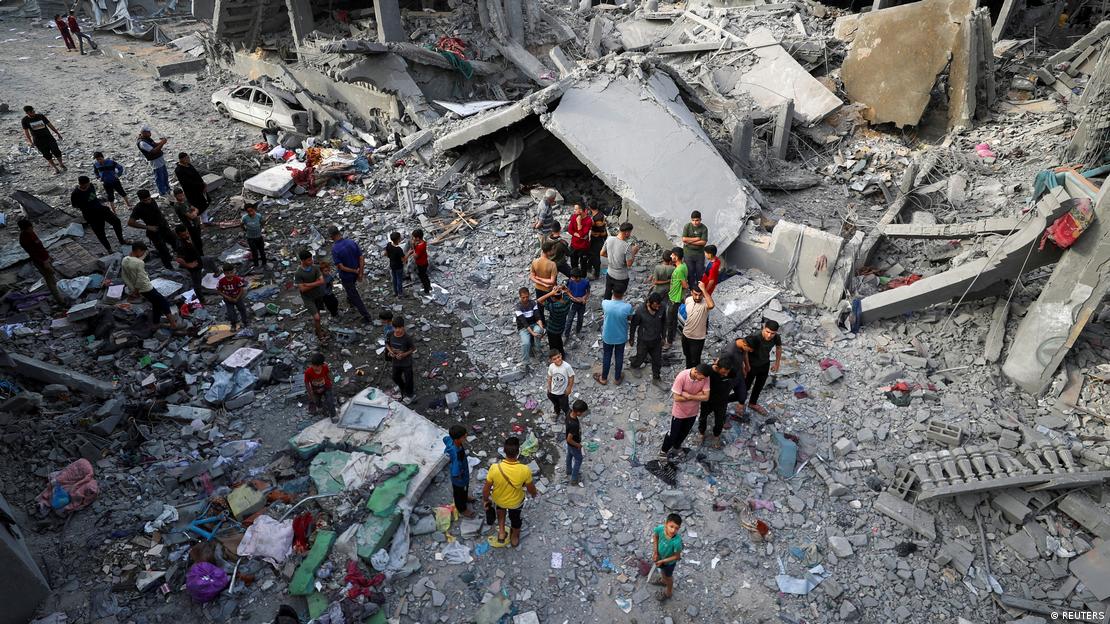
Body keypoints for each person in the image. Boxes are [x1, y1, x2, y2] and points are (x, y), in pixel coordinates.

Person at [483, 436, 538, 548]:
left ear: (504, 451)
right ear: (518, 452)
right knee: (515, 518)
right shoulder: (524, 470)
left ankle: (501, 533)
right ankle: (514, 537)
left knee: (500, 512)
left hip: (499, 500)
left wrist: (486, 500)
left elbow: (486, 489)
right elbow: (531, 488)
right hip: (515, 502)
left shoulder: (495, 468)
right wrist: (534, 494)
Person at [658, 364, 710, 461]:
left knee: (685, 431)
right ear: (696, 372)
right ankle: (663, 451)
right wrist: (698, 395)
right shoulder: (682, 377)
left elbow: (706, 397)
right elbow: (676, 398)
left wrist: (689, 396)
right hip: (679, 412)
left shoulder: (705, 377)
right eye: (701, 378)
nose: (702, 380)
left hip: (693, 412)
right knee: (673, 433)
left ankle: (676, 447)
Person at [122, 242, 179, 329]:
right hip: (146, 288)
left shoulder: (125, 260)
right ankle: (173, 325)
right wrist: (136, 291)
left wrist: (132, 289)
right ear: (138, 250)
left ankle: (156, 323)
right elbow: (141, 279)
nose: (143, 254)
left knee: (156, 303)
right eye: (143, 252)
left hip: (138, 289)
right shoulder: (139, 263)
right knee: (163, 302)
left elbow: (124, 276)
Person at [737, 319, 782, 416]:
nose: (769, 335)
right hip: (751, 365)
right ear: (764, 328)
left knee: (759, 385)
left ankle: (753, 403)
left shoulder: (776, 337)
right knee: (746, 386)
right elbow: (744, 351)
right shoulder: (754, 337)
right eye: (767, 332)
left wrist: (777, 363)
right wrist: (746, 366)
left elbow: (778, 348)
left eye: (772, 333)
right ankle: (741, 403)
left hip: (764, 363)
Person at [327, 226, 372, 322]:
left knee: (354, 295)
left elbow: (341, 267)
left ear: (331, 236)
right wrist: (360, 272)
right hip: (356, 273)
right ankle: (351, 302)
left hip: (347, 276)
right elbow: (361, 258)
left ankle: (366, 316)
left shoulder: (335, 249)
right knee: (351, 290)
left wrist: (355, 271)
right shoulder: (351, 242)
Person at [71, 176, 125, 253]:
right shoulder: (75, 194)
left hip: (101, 209)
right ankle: (109, 249)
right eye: (86, 184)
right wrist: (84, 205)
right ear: (81, 184)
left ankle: (121, 240)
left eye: (88, 183)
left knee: (116, 221)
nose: (88, 185)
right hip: (90, 215)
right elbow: (74, 205)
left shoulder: (91, 186)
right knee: (100, 233)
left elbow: (94, 196)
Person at [17, 219, 65, 305]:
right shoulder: (25, 239)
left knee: (52, 277)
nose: (32, 228)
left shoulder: (30, 233)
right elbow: (34, 253)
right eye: (30, 227)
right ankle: (60, 300)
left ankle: (60, 294)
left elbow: (40, 246)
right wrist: (44, 262)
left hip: (44, 259)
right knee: (50, 280)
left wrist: (47, 256)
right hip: (41, 261)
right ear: (26, 228)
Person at [594, 285, 634, 385]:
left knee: (607, 356)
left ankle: (603, 378)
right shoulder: (627, 307)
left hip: (608, 336)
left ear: (612, 293)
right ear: (623, 294)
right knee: (619, 356)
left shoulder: (605, 303)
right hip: (621, 336)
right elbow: (630, 318)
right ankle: (617, 378)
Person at [128, 189, 177, 269]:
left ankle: (180, 259)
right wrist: (147, 227)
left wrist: (165, 223)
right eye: (145, 200)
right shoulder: (138, 208)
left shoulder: (153, 201)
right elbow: (130, 222)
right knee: (163, 251)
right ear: (140, 200)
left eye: (149, 199)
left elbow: (158, 213)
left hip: (164, 227)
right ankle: (169, 267)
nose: (148, 201)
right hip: (154, 232)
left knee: (174, 242)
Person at [697, 357, 738, 448]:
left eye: (727, 372)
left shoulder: (731, 371)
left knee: (720, 421)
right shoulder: (709, 371)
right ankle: (701, 433)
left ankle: (716, 436)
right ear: (717, 367)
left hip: (722, 401)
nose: (726, 374)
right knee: (703, 417)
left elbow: (735, 378)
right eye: (723, 372)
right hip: (708, 401)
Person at [629, 292, 666, 383]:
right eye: (655, 306)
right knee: (640, 357)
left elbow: (664, 322)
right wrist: (631, 338)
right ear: (649, 303)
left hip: (656, 339)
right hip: (643, 340)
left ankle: (656, 378)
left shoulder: (662, 307)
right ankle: (634, 366)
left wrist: (663, 336)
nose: (658, 308)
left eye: (659, 305)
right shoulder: (640, 311)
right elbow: (633, 325)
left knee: (657, 360)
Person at [294, 249, 327, 342]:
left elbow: (322, 281)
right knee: (317, 317)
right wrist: (316, 283)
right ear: (303, 261)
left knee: (318, 315)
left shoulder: (315, 268)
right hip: (308, 298)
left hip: (317, 295)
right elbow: (302, 289)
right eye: (309, 260)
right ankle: (320, 335)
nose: (311, 261)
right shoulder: (298, 273)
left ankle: (318, 329)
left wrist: (308, 284)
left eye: (311, 259)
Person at [22, 106, 65, 174]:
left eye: (33, 111)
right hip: (38, 140)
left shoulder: (40, 116)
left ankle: (61, 163)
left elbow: (49, 125)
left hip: (49, 137)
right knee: (46, 155)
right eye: (31, 112)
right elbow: (26, 132)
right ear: (27, 113)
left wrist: (57, 133)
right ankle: (55, 168)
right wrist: (30, 142)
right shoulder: (25, 120)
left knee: (56, 150)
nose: (33, 113)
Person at [601, 222, 638, 300]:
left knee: (607, 293)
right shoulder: (627, 246)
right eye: (630, 232)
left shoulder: (609, 239)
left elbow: (602, 253)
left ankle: (606, 306)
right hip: (621, 277)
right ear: (626, 232)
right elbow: (629, 264)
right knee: (618, 297)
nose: (630, 234)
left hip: (610, 273)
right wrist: (633, 252)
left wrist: (612, 257)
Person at [443, 425, 475, 518]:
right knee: (459, 493)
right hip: (460, 479)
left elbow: (445, 439)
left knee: (464, 490)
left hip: (462, 474)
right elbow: (455, 472)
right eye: (463, 437)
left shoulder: (451, 440)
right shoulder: (456, 454)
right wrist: (460, 477)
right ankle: (462, 508)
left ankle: (465, 497)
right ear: (457, 439)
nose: (465, 437)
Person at [652, 513, 684, 602]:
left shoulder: (677, 542)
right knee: (663, 572)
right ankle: (663, 581)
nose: (673, 530)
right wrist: (655, 552)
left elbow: (677, 557)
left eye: (676, 528)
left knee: (669, 577)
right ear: (666, 523)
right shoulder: (660, 529)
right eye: (671, 526)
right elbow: (655, 537)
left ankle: (668, 593)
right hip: (660, 558)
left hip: (669, 563)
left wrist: (663, 561)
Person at [681, 285, 714, 368]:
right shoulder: (688, 300)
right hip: (686, 334)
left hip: (698, 339)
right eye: (695, 294)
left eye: (700, 295)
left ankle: (696, 374)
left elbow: (711, 305)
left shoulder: (705, 303)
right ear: (691, 293)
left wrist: (704, 289)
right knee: (687, 355)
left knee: (695, 360)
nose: (698, 297)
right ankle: (688, 372)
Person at [386, 315, 416, 404]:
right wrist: (390, 352)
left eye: (399, 328)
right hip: (395, 362)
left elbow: (413, 349)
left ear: (403, 327)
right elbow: (387, 344)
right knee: (395, 377)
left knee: (409, 379)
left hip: (406, 363)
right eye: (395, 328)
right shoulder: (390, 334)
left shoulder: (407, 338)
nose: (397, 330)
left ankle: (410, 395)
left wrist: (404, 354)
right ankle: (402, 388)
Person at [174, 153, 210, 222]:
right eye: (186, 158)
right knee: (198, 207)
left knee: (204, 204)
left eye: (188, 157)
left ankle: (205, 220)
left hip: (199, 189)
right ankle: (200, 221)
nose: (188, 159)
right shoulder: (179, 170)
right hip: (192, 192)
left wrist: (203, 184)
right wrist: (200, 185)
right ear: (181, 159)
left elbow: (197, 175)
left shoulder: (189, 165)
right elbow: (188, 183)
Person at [514, 288, 545, 368]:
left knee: (538, 331)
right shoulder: (518, 307)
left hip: (534, 324)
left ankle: (537, 351)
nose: (525, 299)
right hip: (523, 328)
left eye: (527, 297)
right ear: (520, 297)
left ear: (529, 295)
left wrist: (542, 328)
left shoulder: (533, 303)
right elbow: (524, 323)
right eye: (523, 297)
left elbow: (538, 317)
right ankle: (525, 363)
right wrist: (532, 333)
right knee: (525, 343)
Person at [537, 285, 571, 357]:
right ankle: (562, 354)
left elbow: (539, 300)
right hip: (561, 327)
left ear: (553, 298)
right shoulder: (567, 301)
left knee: (553, 345)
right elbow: (567, 290)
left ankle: (554, 357)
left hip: (552, 329)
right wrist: (561, 288)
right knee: (559, 341)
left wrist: (551, 293)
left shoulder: (554, 307)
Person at [136, 126, 170, 196]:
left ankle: (167, 189)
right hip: (155, 161)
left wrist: (161, 142)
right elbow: (153, 151)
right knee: (159, 177)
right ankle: (162, 192)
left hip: (159, 159)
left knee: (165, 175)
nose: (150, 133)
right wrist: (162, 143)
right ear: (143, 133)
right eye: (148, 132)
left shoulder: (147, 138)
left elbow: (155, 144)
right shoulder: (142, 143)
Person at [529, 241, 557, 324]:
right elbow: (552, 281)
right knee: (552, 307)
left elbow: (532, 277)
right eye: (552, 249)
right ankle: (553, 322)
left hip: (538, 288)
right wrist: (544, 283)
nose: (554, 251)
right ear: (548, 251)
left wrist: (539, 279)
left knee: (540, 306)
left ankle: (543, 323)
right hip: (549, 290)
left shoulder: (535, 261)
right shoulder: (552, 264)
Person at [170, 187, 203, 255]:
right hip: (190, 225)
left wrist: (194, 213)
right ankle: (199, 255)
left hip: (195, 223)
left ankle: (200, 253)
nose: (182, 197)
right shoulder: (178, 206)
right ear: (175, 196)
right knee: (196, 241)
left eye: (182, 195)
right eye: (179, 196)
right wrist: (195, 213)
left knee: (198, 239)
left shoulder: (185, 201)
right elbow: (191, 216)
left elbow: (196, 209)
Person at [666, 248, 687, 350]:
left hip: (674, 299)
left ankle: (669, 342)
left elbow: (684, 285)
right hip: (676, 297)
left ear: (677, 257)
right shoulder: (683, 266)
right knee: (673, 319)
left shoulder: (679, 270)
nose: (671, 256)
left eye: (672, 255)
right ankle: (673, 335)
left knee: (670, 321)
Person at [304, 353, 336, 421]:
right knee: (316, 401)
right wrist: (310, 393)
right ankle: (322, 408)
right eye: (313, 365)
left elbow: (327, 377)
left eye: (317, 366)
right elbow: (306, 383)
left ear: (321, 365)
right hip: (315, 389)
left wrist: (325, 387)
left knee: (330, 401)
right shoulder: (308, 372)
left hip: (326, 387)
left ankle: (333, 415)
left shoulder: (325, 368)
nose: (314, 368)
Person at [217, 263, 249, 330]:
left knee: (242, 309)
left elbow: (241, 289)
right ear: (224, 273)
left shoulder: (237, 279)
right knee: (231, 312)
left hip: (238, 297)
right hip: (228, 300)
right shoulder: (221, 281)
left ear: (233, 271)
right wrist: (228, 297)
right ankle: (233, 324)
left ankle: (245, 321)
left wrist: (237, 298)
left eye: (231, 272)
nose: (229, 275)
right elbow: (219, 291)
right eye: (227, 273)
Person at [681, 210, 709, 286]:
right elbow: (684, 239)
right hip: (688, 253)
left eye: (697, 220)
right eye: (693, 220)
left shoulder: (704, 228)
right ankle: (691, 288)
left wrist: (689, 242)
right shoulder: (687, 226)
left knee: (700, 272)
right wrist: (697, 239)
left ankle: (699, 288)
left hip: (699, 254)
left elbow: (703, 242)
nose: (695, 222)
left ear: (700, 219)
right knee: (690, 272)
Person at [173, 224, 203, 292]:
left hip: (198, 260)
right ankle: (201, 297)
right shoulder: (180, 246)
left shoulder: (186, 239)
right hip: (194, 267)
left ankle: (216, 271)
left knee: (209, 260)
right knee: (197, 283)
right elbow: (179, 259)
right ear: (178, 235)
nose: (186, 235)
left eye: (187, 233)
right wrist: (189, 265)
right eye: (183, 235)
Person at [546, 348, 575, 418]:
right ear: (551, 360)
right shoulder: (551, 366)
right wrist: (549, 387)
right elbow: (550, 377)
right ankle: (557, 412)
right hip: (553, 391)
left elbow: (571, 377)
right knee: (555, 404)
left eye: (558, 357)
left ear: (561, 355)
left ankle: (568, 416)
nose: (557, 360)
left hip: (563, 393)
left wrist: (569, 388)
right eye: (554, 359)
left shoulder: (567, 367)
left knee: (565, 406)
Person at [563, 268, 590, 340]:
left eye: (573, 277)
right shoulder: (570, 281)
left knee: (580, 318)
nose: (571, 278)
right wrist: (573, 298)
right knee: (569, 319)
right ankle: (566, 335)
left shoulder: (586, 282)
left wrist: (584, 298)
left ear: (578, 277)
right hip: (573, 303)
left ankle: (578, 331)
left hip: (582, 304)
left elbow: (588, 292)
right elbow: (568, 291)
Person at [565, 399, 587, 486]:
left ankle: (568, 470)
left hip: (570, 445)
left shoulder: (569, 413)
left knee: (569, 455)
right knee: (578, 459)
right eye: (582, 412)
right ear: (578, 412)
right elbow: (569, 439)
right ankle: (574, 479)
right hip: (573, 444)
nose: (583, 414)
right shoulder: (574, 424)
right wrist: (578, 445)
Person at [567, 203, 592, 274]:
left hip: (583, 246)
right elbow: (570, 230)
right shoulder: (574, 216)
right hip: (574, 245)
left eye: (575, 209)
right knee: (573, 263)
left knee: (583, 264)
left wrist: (579, 223)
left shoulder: (588, 220)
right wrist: (578, 235)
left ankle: (583, 277)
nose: (574, 210)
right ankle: (574, 276)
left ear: (581, 210)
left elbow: (582, 234)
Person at [241, 203, 268, 270]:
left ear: (254, 209)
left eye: (251, 210)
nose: (251, 213)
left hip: (259, 237)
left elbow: (262, 223)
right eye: (248, 211)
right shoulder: (245, 218)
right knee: (254, 252)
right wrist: (245, 230)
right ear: (246, 212)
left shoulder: (258, 216)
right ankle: (256, 264)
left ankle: (264, 263)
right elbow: (241, 224)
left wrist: (262, 226)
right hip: (250, 238)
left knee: (262, 251)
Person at [587, 202, 608, 280]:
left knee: (595, 256)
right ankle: (589, 268)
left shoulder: (597, 218)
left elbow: (601, 230)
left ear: (590, 207)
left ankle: (596, 274)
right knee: (591, 254)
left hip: (598, 239)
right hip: (596, 238)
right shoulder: (599, 214)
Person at [408, 229, 432, 294]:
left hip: (421, 264)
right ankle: (429, 286)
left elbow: (415, 256)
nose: (412, 238)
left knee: (422, 277)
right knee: (425, 275)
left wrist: (413, 248)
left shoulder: (419, 247)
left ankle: (426, 290)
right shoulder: (423, 242)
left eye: (413, 237)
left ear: (418, 238)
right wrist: (415, 245)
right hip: (424, 262)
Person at [384, 231, 405, 297]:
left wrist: (391, 257)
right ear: (398, 240)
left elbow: (385, 254)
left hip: (392, 265)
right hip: (399, 266)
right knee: (399, 279)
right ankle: (400, 293)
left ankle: (395, 292)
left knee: (394, 278)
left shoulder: (389, 244)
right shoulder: (399, 249)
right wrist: (409, 253)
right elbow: (403, 259)